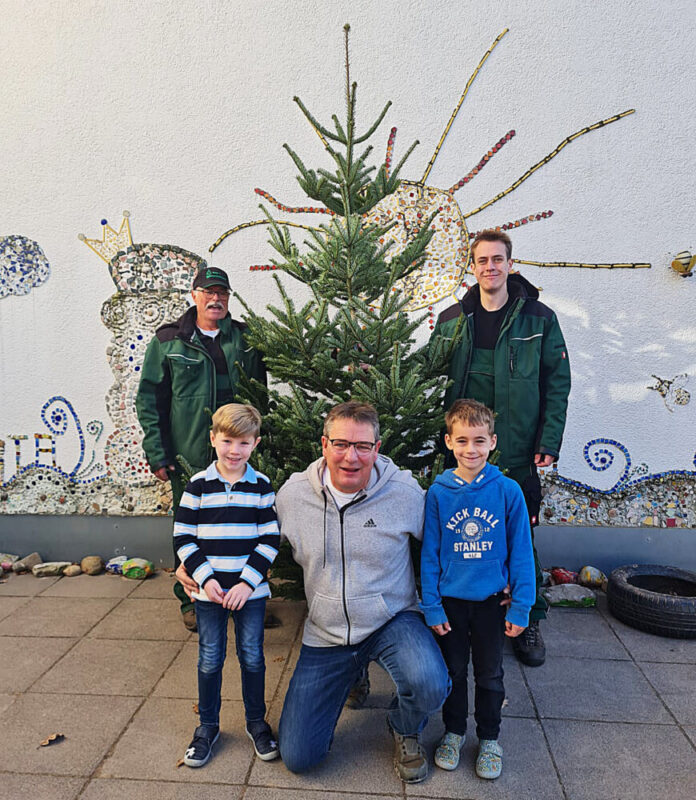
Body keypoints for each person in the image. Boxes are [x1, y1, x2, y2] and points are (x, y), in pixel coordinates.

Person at [273, 401, 450, 784]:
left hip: (392, 619)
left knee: (431, 684)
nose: (351, 457)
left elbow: (447, 546)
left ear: (377, 448)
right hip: (327, 631)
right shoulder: (292, 497)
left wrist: (500, 579)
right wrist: (197, 568)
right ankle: (354, 676)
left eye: (363, 446)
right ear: (324, 445)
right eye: (340, 444)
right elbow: (252, 541)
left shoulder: (404, 493)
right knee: (299, 757)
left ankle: (404, 727)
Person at [432, 229, 571, 666]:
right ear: (471, 267)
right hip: (465, 448)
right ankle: (460, 609)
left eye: (497, 259)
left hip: (516, 448)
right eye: (481, 261)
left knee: (519, 534)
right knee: (465, 528)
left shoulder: (539, 318)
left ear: (511, 264)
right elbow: (427, 364)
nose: (490, 267)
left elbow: (558, 383)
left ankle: (527, 620)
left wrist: (548, 440)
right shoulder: (453, 318)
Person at [136, 265, 266, 630]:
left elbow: (262, 396)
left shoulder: (245, 339)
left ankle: (246, 595)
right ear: (193, 295)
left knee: (246, 523)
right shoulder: (169, 342)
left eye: (222, 293)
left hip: (239, 451)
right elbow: (149, 400)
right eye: (208, 292)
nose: (216, 298)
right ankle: (191, 599)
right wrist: (157, 452)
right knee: (189, 526)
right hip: (190, 453)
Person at [420, 399, 535, 780]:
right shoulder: (437, 494)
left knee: (490, 675)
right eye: (463, 440)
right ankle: (453, 732)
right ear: (449, 441)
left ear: (493, 442)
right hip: (450, 604)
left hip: (490, 603)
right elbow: (431, 553)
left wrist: (521, 607)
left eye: (480, 440)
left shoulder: (508, 491)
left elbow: (521, 552)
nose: (472, 449)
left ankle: (489, 738)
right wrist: (432, 607)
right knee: (453, 672)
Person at [174, 403, 280, 767]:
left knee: (251, 656)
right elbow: (184, 538)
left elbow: (269, 539)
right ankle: (207, 726)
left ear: (256, 444)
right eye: (228, 441)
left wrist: (247, 584)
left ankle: (256, 722)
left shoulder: (262, 486)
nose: (235, 451)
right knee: (209, 658)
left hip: (248, 594)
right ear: (213, 438)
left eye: (244, 443)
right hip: (209, 593)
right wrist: (206, 579)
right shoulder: (198, 486)